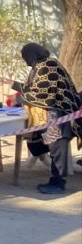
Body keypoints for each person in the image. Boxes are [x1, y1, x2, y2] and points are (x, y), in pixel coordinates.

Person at [13, 43, 82, 195]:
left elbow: (45, 95)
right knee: (41, 145)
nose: (25, 61)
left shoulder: (47, 66)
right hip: (53, 114)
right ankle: (55, 180)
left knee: (57, 147)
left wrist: (21, 98)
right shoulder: (41, 65)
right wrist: (14, 85)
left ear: (32, 55)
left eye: (26, 57)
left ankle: (58, 183)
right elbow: (35, 88)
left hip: (59, 114)